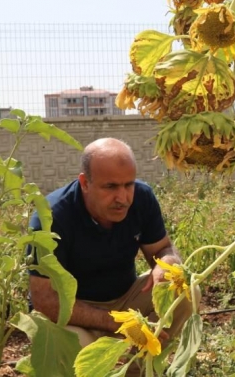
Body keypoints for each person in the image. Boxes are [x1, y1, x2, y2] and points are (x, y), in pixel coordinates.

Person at [27, 137, 197, 348]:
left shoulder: (142, 199)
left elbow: (162, 248)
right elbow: (45, 302)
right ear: (85, 183)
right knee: (67, 345)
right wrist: (117, 322)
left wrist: (167, 263)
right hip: (73, 315)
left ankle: (138, 370)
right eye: (111, 187)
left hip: (125, 301)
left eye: (128, 185)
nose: (122, 197)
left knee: (184, 291)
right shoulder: (51, 219)